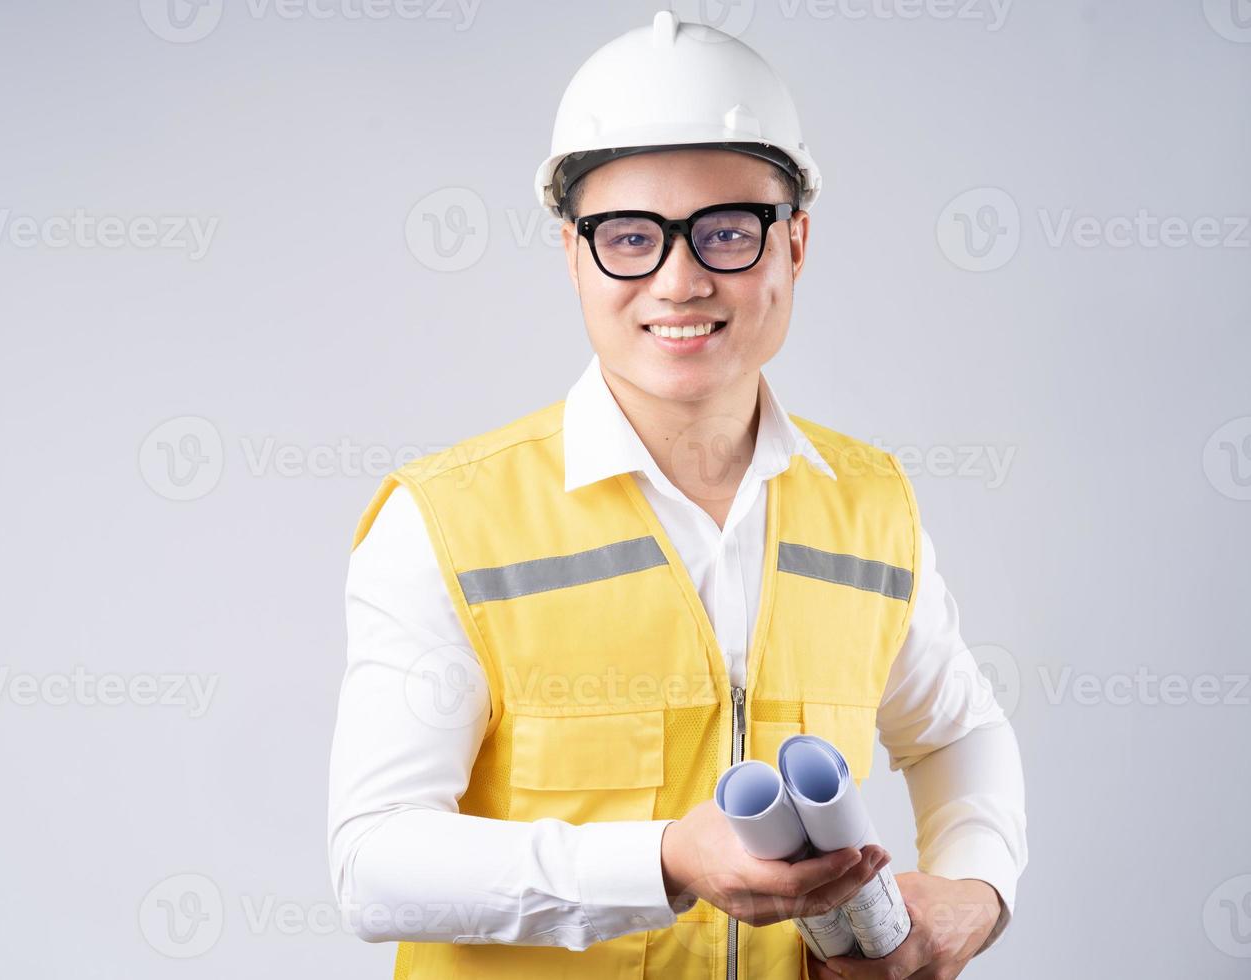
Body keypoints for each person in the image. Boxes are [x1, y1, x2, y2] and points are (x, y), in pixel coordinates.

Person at [327, 12, 1026, 979]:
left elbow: (957, 729)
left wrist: (976, 894)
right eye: (628, 237)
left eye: (728, 231)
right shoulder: (448, 522)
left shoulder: (869, 504)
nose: (681, 278)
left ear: (796, 245)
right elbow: (374, 861)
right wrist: (662, 861)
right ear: (573, 253)